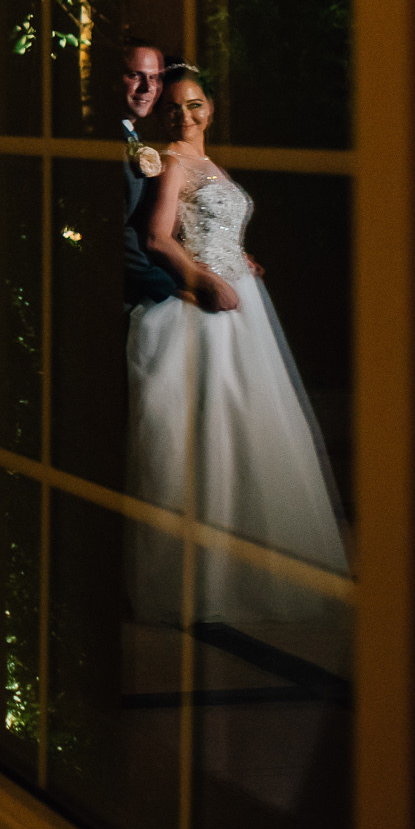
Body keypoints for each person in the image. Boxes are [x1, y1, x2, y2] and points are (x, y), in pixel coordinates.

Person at [126, 67, 349, 632]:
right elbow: (157, 236)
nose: (184, 115)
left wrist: (238, 257)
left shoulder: (209, 164)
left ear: (211, 107)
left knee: (258, 429)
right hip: (210, 307)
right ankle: (207, 581)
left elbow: (215, 225)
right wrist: (205, 277)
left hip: (243, 302)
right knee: (216, 434)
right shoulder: (172, 160)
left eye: (193, 104)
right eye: (173, 107)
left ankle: (258, 571)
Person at [116, 38, 181, 310]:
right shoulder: (106, 143)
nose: (147, 88)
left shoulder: (134, 136)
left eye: (154, 78)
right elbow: (117, 231)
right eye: (135, 76)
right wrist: (169, 287)